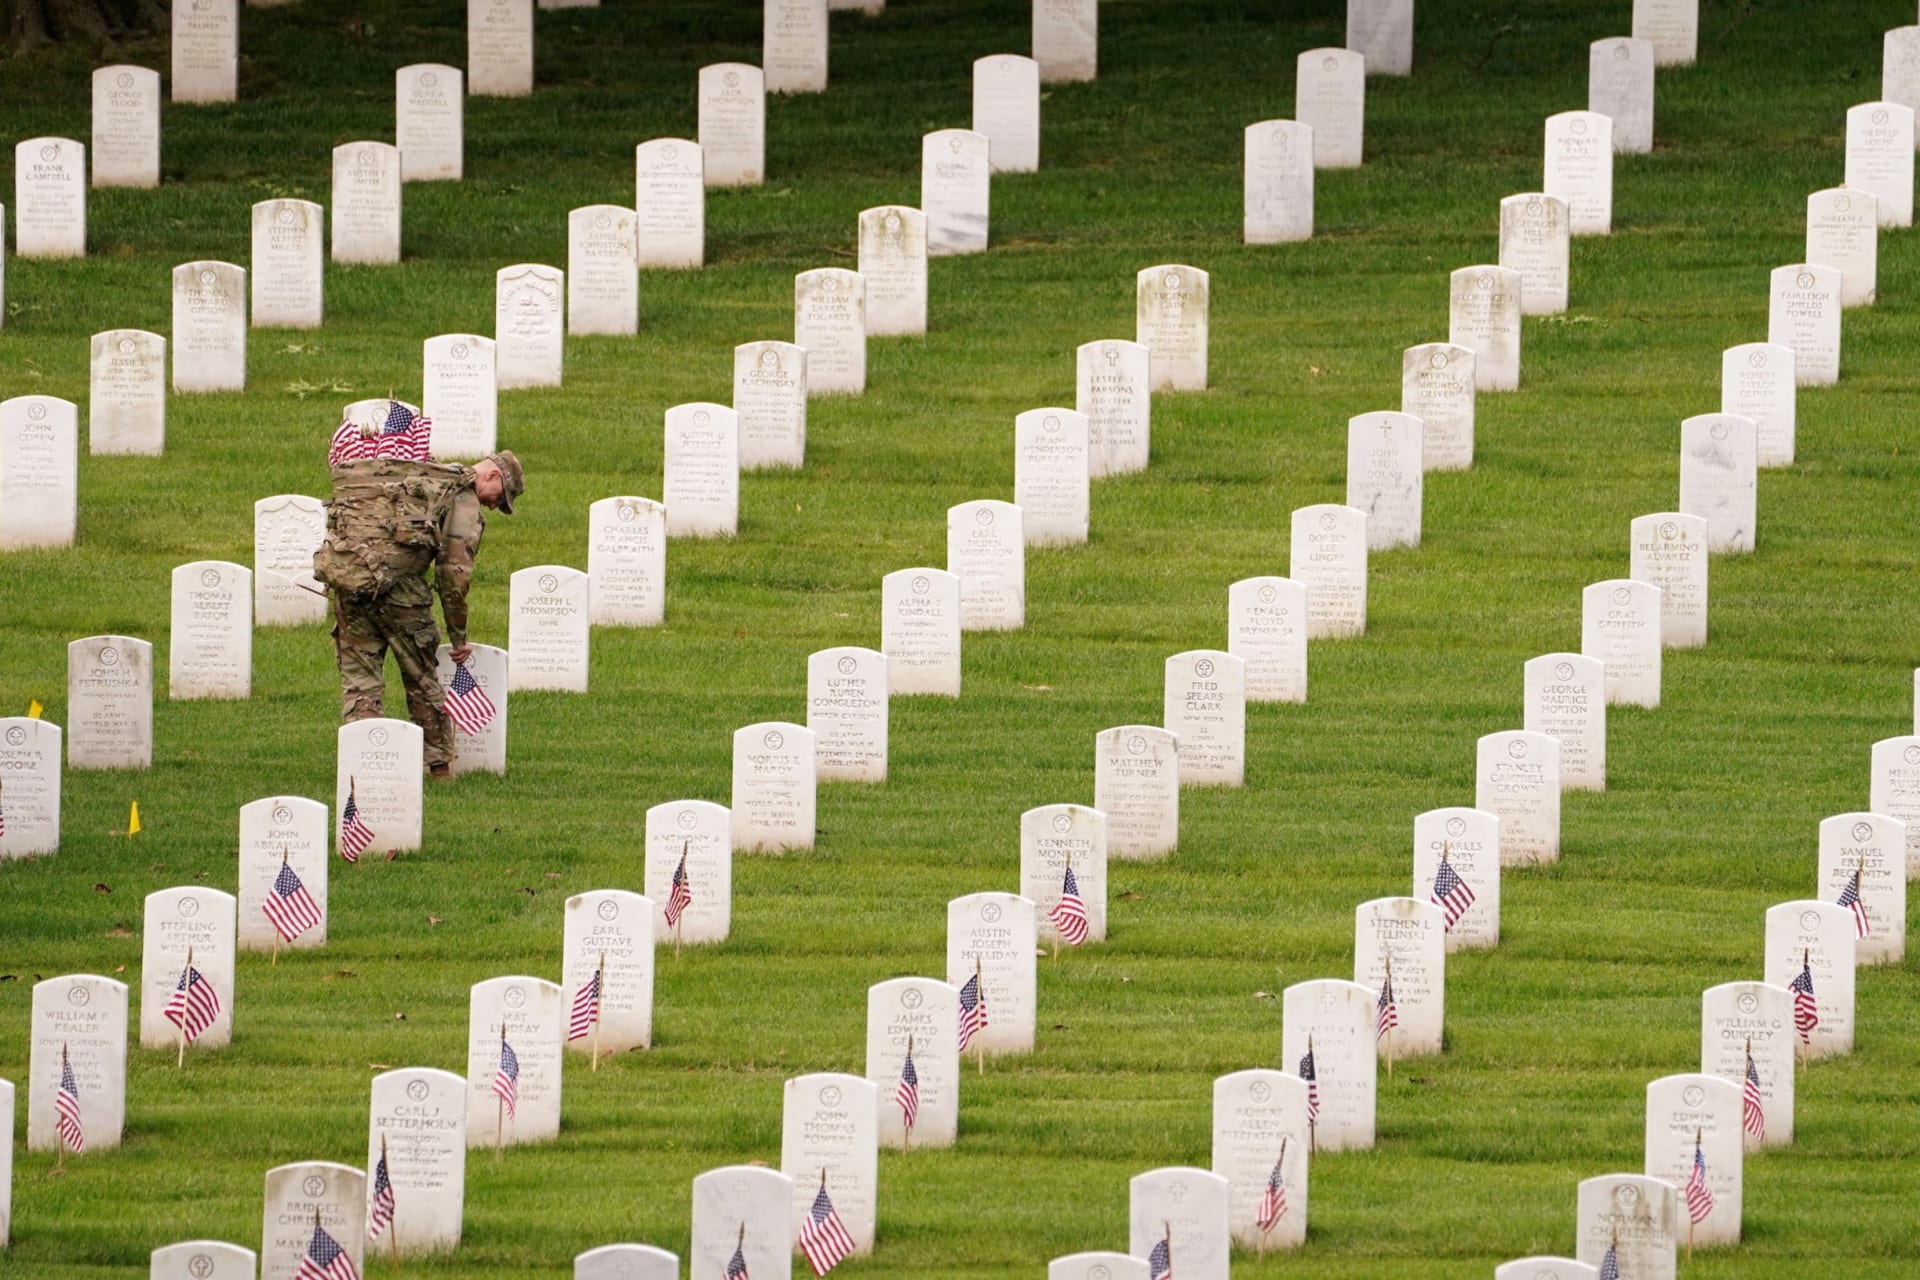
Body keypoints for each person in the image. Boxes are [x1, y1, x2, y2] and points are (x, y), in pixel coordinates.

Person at [315, 415, 524, 780]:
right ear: (491, 476)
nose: (493, 507)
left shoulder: (418, 475)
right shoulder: (460, 496)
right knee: (422, 680)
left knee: (360, 683)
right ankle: (439, 768)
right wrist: (458, 637)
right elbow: (453, 575)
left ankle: (364, 766)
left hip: (350, 584)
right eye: (499, 498)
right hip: (402, 595)